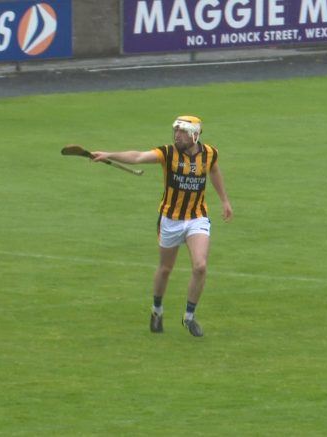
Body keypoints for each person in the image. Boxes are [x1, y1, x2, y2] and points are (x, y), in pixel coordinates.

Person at [90, 115, 233, 337]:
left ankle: (189, 317)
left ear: (195, 135)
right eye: (176, 131)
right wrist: (109, 154)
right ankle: (157, 310)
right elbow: (138, 156)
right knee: (165, 269)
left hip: (197, 217)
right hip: (170, 220)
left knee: (200, 266)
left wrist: (224, 200)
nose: (177, 135)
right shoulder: (167, 153)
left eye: (182, 132)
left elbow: (213, 170)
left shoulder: (209, 153)